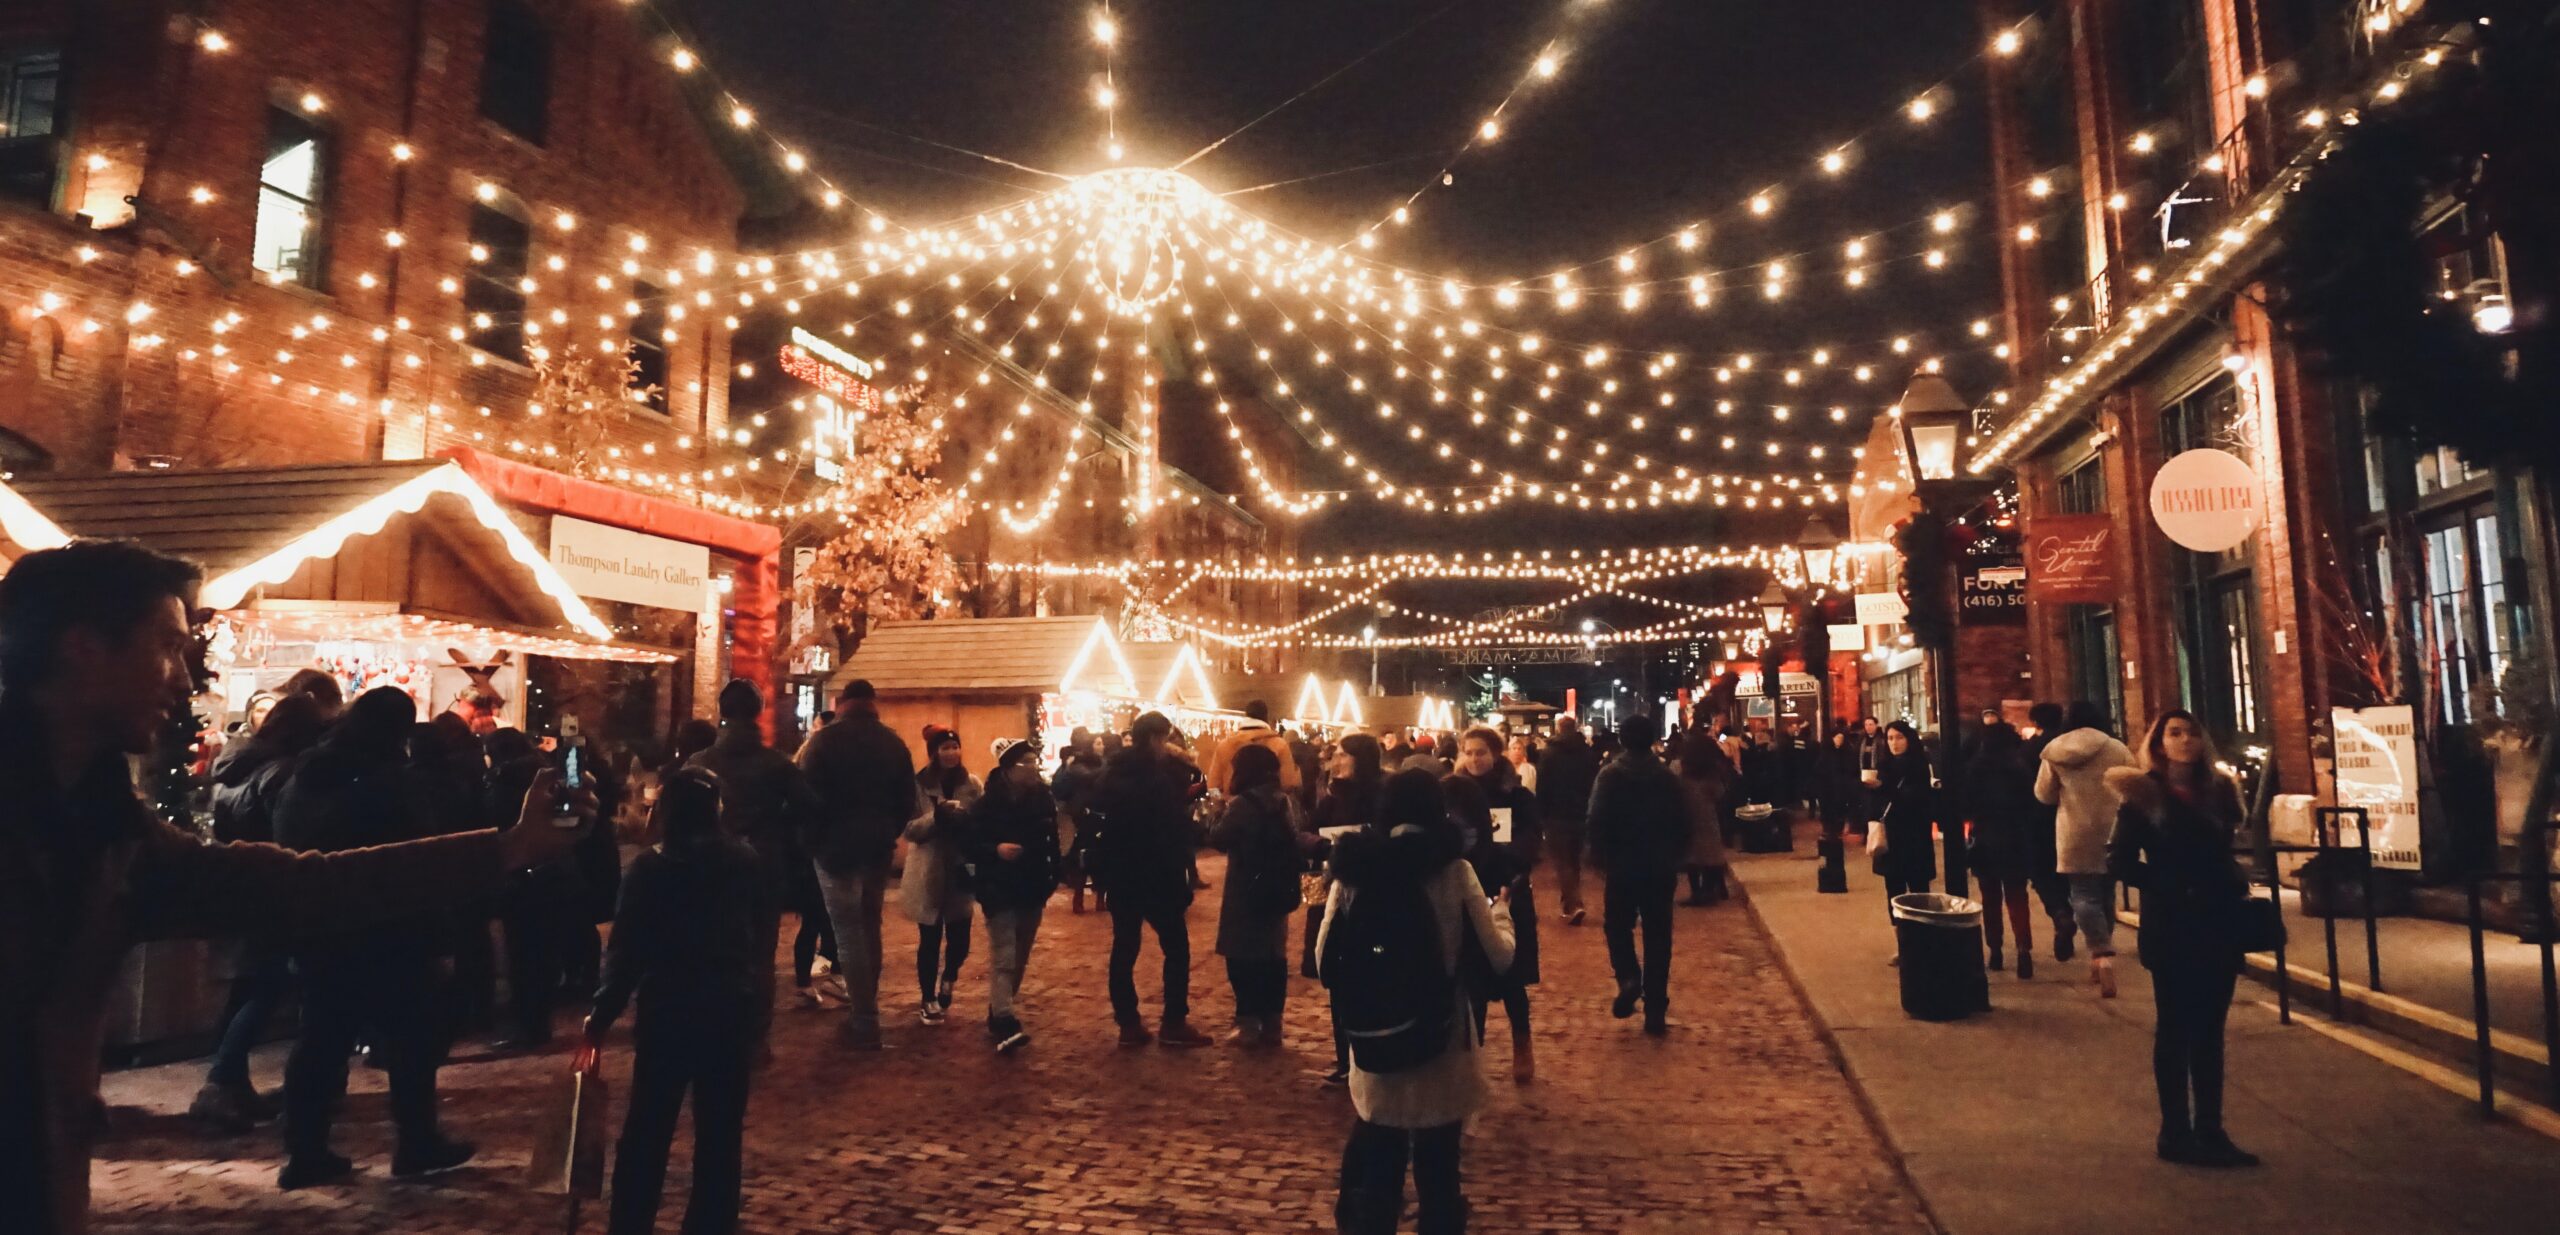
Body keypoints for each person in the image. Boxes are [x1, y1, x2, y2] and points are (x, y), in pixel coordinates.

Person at [0, 541, 585, 1235]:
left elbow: (308, 883)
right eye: (165, 646)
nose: (184, 679)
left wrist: (506, 848)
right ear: (82, 647)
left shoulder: (110, 832)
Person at [580, 766, 775, 1235]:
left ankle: (630, 1221)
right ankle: (711, 1222)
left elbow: (626, 949)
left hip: (668, 1006)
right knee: (720, 1131)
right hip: (728, 1003)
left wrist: (601, 1015)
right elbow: (759, 941)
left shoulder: (651, 868)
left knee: (648, 1126)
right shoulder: (743, 861)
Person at [1318, 769, 1514, 1234]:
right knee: (1439, 1174)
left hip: (1376, 1042)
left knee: (1380, 1170)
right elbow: (1499, 957)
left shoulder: (1355, 869)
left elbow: (1325, 961)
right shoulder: (1455, 870)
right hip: (1441, 1041)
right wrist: (1502, 911)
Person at [2107, 711, 2260, 1169]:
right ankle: (2175, 1131)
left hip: (2217, 919)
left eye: (2193, 731)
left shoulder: (2219, 792)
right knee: (2175, 1028)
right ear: (2158, 743)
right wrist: (2167, 883)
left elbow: (2224, 849)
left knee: (2210, 1030)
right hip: (2172, 923)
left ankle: (2211, 1130)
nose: (2185, 739)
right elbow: (2119, 860)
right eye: (2174, 733)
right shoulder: (2141, 794)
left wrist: (2232, 880)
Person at [188, 691, 333, 1132]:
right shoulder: (283, 774)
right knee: (267, 987)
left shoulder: (236, 767)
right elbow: (289, 833)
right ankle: (218, 1084)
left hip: (238, 886)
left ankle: (231, 1081)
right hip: (271, 887)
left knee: (248, 988)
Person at [689, 679, 828, 1022]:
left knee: (710, 948)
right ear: (759, 711)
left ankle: (714, 1027)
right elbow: (809, 807)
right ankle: (755, 1034)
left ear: (722, 712)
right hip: (763, 864)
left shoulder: (698, 762)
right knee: (760, 953)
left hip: (707, 866)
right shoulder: (776, 764)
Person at [796, 680, 919, 1051]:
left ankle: (865, 1019)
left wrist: (814, 841)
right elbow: (905, 800)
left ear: (842, 702)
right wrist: (886, 832)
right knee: (870, 926)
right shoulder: (892, 743)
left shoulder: (824, 742)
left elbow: (807, 797)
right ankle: (867, 1007)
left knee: (847, 931)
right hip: (876, 847)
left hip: (834, 849)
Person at [1090, 711, 1213, 1047]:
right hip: (1157, 874)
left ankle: (1128, 1023)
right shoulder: (1158, 779)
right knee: (1176, 947)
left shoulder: (1110, 774)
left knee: (1125, 947)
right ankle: (1173, 1022)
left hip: (1121, 872)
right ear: (1157, 739)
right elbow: (1171, 829)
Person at [1586, 713, 1690, 1036]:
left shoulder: (1610, 776)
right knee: (1659, 934)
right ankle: (1656, 1006)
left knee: (1618, 926)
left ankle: (1628, 977)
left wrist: (1599, 857)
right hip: (1659, 866)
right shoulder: (1667, 778)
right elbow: (1683, 821)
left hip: (1621, 864)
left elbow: (1596, 819)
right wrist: (1676, 856)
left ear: (1622, 740)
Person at [1451, 726, 1541, 1084]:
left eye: (1482, 752)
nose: (1476, 759)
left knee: (1510, 976)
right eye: (1469, 752)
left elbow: (1530, 838)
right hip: (1466, 890)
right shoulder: (1452, 793)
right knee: (1470, 978)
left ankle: (1523, 1043)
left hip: (1508, 889)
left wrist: (1507, 866)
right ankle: (1474, 1055)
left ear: (1496, 753)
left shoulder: (1517, 795)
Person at [967, 739, 1061, 1053]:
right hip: (998, 885)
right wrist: (995, 850)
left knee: (1021, 954)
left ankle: (999, 1010)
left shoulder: (1042, 798)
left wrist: (1053, 876)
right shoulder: (987, 803)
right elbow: (968, 844)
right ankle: (1006, 1018)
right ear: (1008, 768)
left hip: (1032, 885)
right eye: (1027, 762)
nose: (1034, 767)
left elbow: (1052, 840)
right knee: (1005, 955)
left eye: (1036, 761)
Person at [2036, 701, 2136, 996]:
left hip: (2074, 830)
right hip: (2113, 829)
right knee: (2106, 891)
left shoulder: (2054, 750)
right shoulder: (2116, 748)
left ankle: (2100, 954)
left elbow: (2043, 794)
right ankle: (2102, 950)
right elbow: (2134, 783)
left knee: (2082, 894)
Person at [1208, 743, 1303, 1049]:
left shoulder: (1242, 804)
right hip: (1277, 884)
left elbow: (1219, 838)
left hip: (1245, 885)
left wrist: (1215, 812)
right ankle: (1273, 1021)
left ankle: (1248, 1020)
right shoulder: (1284, 801)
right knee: (1273, 955)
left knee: (1241, 954)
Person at [904, 726, 980, 1025]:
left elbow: (982, 821)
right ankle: (927, 997)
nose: (951, 752)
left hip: (960, 868)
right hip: (930, 870)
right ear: (934, 752)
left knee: (961, 940)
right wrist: (936, 817)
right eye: (945, 747)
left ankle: (949, 977)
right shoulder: (918, 786)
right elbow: (909, 829)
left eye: (955, 746)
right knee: (930, 939)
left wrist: (966, 820)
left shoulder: (972, 783)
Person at [1964, 720, 2041, 977]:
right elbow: (2031, 804)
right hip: (2016, 837)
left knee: (1990, 897)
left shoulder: (1976, 767)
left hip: (1985, 837)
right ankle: (2023, 950)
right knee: (2017, 896)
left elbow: (1968, 804)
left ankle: (1995, 951)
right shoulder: (2019, 767)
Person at [1871, 720, 1939, 964]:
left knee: (1919, 890)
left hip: (1915, 837)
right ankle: (1903, 944)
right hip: (1891, 839)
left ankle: (1923, 943)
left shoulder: (1919, 765)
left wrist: (1885, 789)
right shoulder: (1884, 765)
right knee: (1894, 892)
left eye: (1899, 737)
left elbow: (1918, 800)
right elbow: (1874, 805)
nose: (1894, 743)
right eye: (1889, 738)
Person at [2020, 702, 2077, 962]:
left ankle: (2059, 913)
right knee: (2071, 873)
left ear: (2036, 722)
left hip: (2038, 818)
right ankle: (2069, 914)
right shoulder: (2072, 745)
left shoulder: (2032, 749)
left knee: (2042, 872)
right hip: (2074, 816)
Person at [1535, 715, 1599, 926]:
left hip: (1556, 814)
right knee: (1573, 860)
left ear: (1558, 728)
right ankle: (1568, 902)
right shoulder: (1587, 753)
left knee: (1562, 862)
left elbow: (1543, 785)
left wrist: (1541, 813)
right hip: (1581, 813)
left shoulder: (1549, 753)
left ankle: (1574, 904)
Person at [1671, 721, 1734, 907]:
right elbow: (1720, 793)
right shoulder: (1711, 772)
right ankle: (1711, 888)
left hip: (1686, 815)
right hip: (1708, 814)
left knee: (1691, 856)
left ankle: (1697, 891)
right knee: (1709, 853)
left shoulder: (1681, 770)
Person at [1052, 727, 1106, 914]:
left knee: (1099, 856)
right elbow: (1087, 778)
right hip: (1084, 816)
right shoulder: (1076, 765)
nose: (1102, 746)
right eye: (1098, 743)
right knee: (1084, 856)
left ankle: (1100, 898)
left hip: (1099, 814)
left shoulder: (1097, 763)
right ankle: (1079, 898)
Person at [1205, 699, 1302, 797]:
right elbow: (1288, 783)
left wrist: (1222, 804)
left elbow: (1213, 786)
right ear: (1266, 718)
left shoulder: (1225, 745)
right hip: (1269, 808)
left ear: (1246, 716)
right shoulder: (1280, 745)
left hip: (1235, 808)